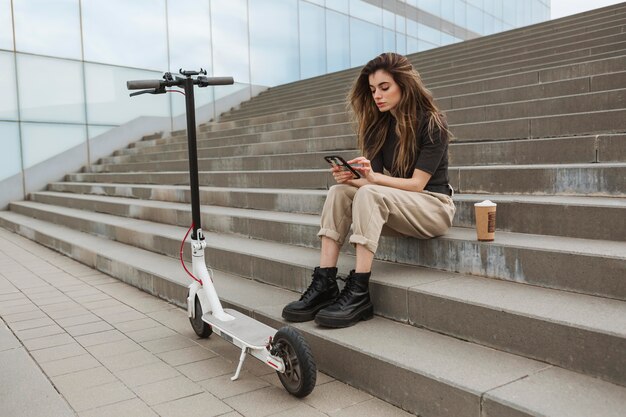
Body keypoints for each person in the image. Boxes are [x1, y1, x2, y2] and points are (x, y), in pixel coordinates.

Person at [282, 52, 456, 328]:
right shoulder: (378, 127)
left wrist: (371, 179)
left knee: (369, 192)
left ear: (404, 85)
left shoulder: (433, 123)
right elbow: (370, 184)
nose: (377, 95)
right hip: (400, 205)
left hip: (433, 206)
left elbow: (416, 184)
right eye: (373, 89)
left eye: (385, 88)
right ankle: (325, 282)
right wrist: (350, 179)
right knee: (340, 192)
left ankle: (359, 292)